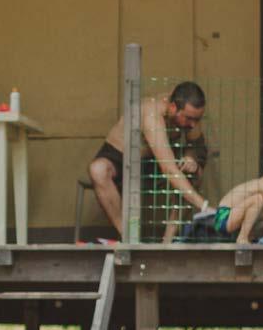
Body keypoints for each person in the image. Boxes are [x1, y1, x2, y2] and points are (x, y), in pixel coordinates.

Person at [89, 81, 211, 237]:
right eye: (189, 119)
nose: (193, 124)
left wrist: (191, 158)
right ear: (173, 107)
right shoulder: (152, 114)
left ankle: (168, 242)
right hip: (122, 158)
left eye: (197, 119)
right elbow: (169, 169)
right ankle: (129, 237)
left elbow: (197, 146)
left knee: (193, 171)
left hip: (154, 161)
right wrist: (204, 206)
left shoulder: (187, 111)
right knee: (98, 170)